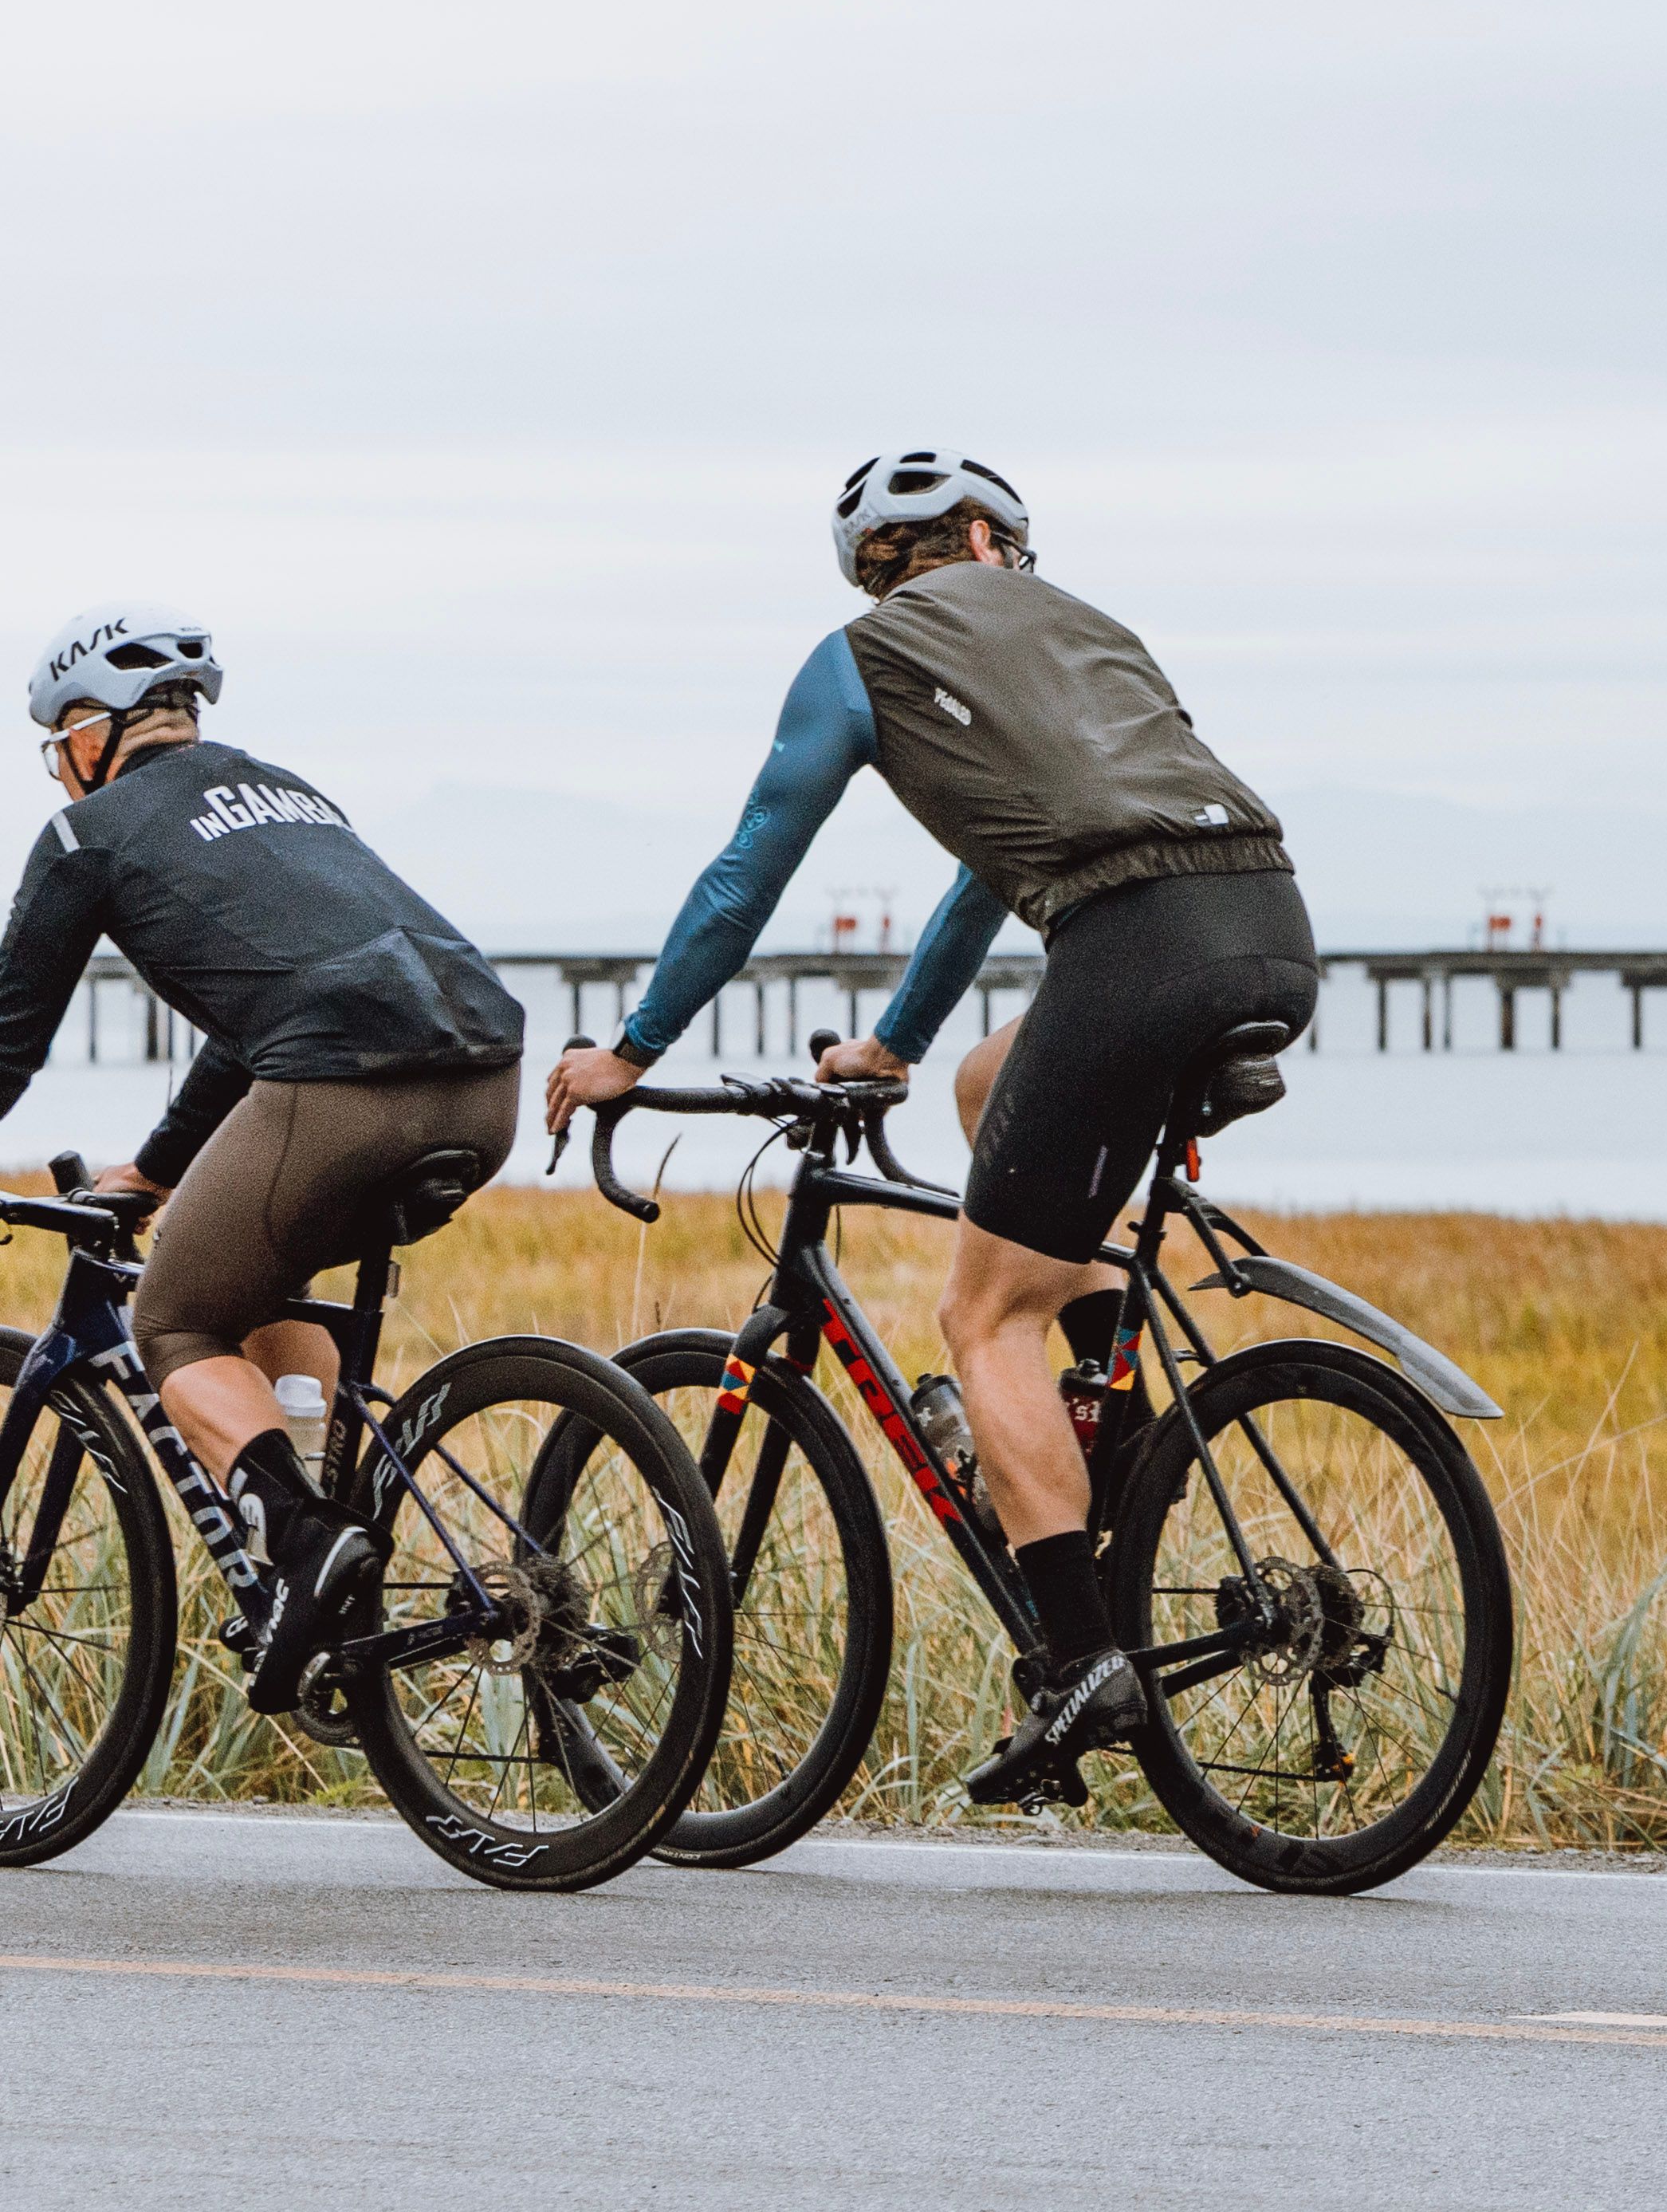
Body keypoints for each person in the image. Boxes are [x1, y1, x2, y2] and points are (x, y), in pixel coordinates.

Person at [545, 454, 1318, 1809]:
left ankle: (1079, 1657)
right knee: (984, 1091)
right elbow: (984, 878)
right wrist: (898, 1046)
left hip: (1134, 951)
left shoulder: (863, 656)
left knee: (978, 1318)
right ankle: (1118, 1423)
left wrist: (633, 1048)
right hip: (1270, 927)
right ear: (985, 535)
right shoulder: (1089, 626)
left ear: (880, 567)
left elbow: (747, 872)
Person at [0, 612, 529, 1710]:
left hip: (343, 1091)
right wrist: (150, 1172)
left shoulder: (89, 832)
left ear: (91, 730)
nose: (59, 772)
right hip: (488, 1085)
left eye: (57, 746)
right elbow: (262, 1014)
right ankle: (332, 1545)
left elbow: (11, 1030)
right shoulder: (286, 791)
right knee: (263, 1275)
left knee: (174, 1323)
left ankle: (303, 1543)